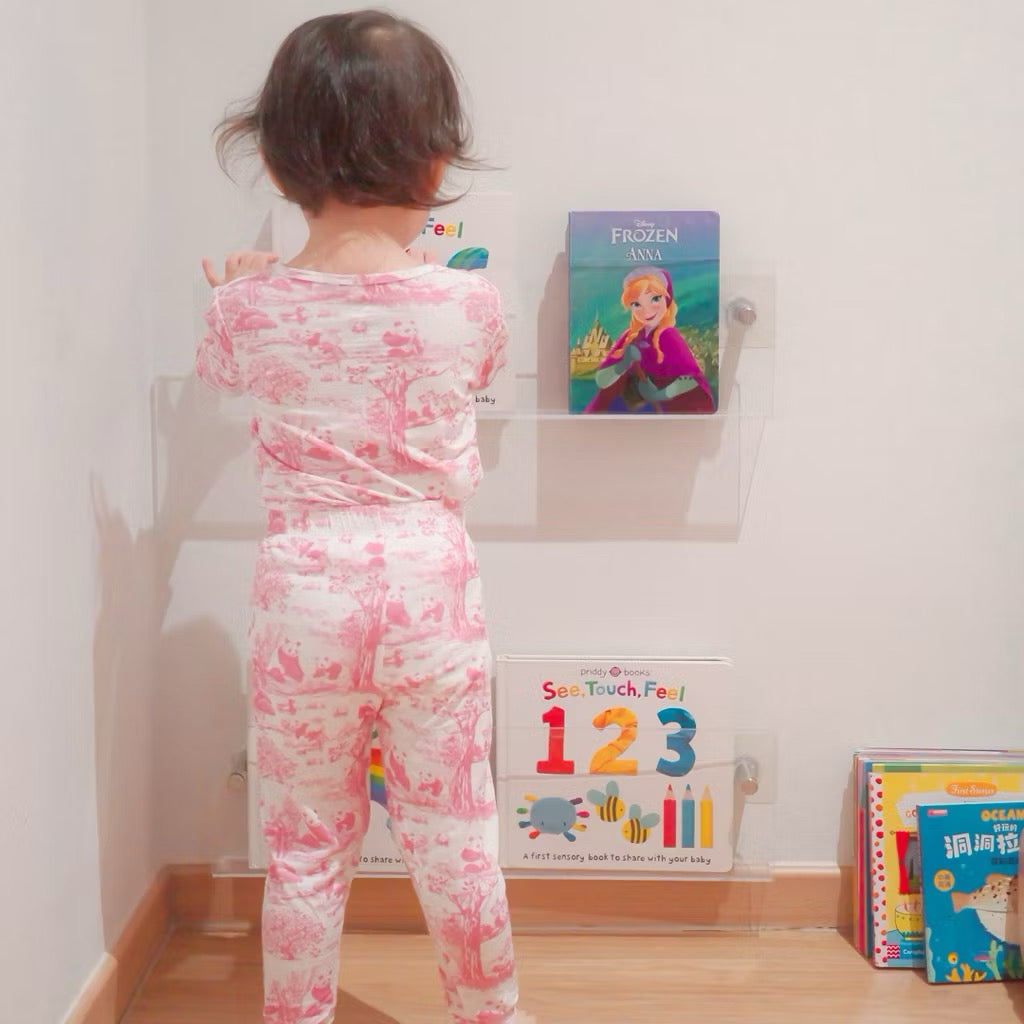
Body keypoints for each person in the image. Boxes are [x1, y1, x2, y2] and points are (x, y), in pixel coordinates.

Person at [196, 12, 521, 1023]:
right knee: (455, 832)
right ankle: (492, 1013)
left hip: (304, 590)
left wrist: (241, 286)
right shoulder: (471, 304)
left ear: (276, 158)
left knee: (302, 840)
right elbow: (473, 369)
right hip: (430, 585)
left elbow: (223, 367)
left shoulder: (246, 310)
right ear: (435, 161)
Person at [584, 266, 716, 414]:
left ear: (666, 299)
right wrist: (623, 363)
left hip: (674, 413)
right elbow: (602, 380)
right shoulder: (630, 337)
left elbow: (691, 380)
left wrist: (660, 394)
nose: (646, 310)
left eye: (655, 299)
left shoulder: (668, 336)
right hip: (634, 412)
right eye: (636, 304)